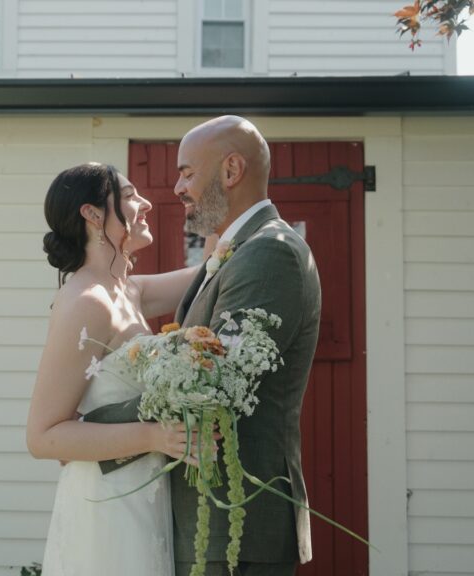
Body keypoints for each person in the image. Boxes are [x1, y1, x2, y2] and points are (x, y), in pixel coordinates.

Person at [86, 116, 322, 576]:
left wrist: (87, 431)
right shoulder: (239, 250)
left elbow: (213, 387)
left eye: (187, 172)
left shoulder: (270, 252)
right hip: (210, 525)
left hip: (235, 523)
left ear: (231, 171)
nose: (177, 187)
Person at [26, 162, 215, 576]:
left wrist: (210, 199)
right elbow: (43, 436)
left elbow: (214, 269)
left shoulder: (127, 290)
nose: (145, 203)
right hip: (106, 502)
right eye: (129, 197)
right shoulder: (86, 302)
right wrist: (155, 435)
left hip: (143, 495)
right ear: (92, 215)